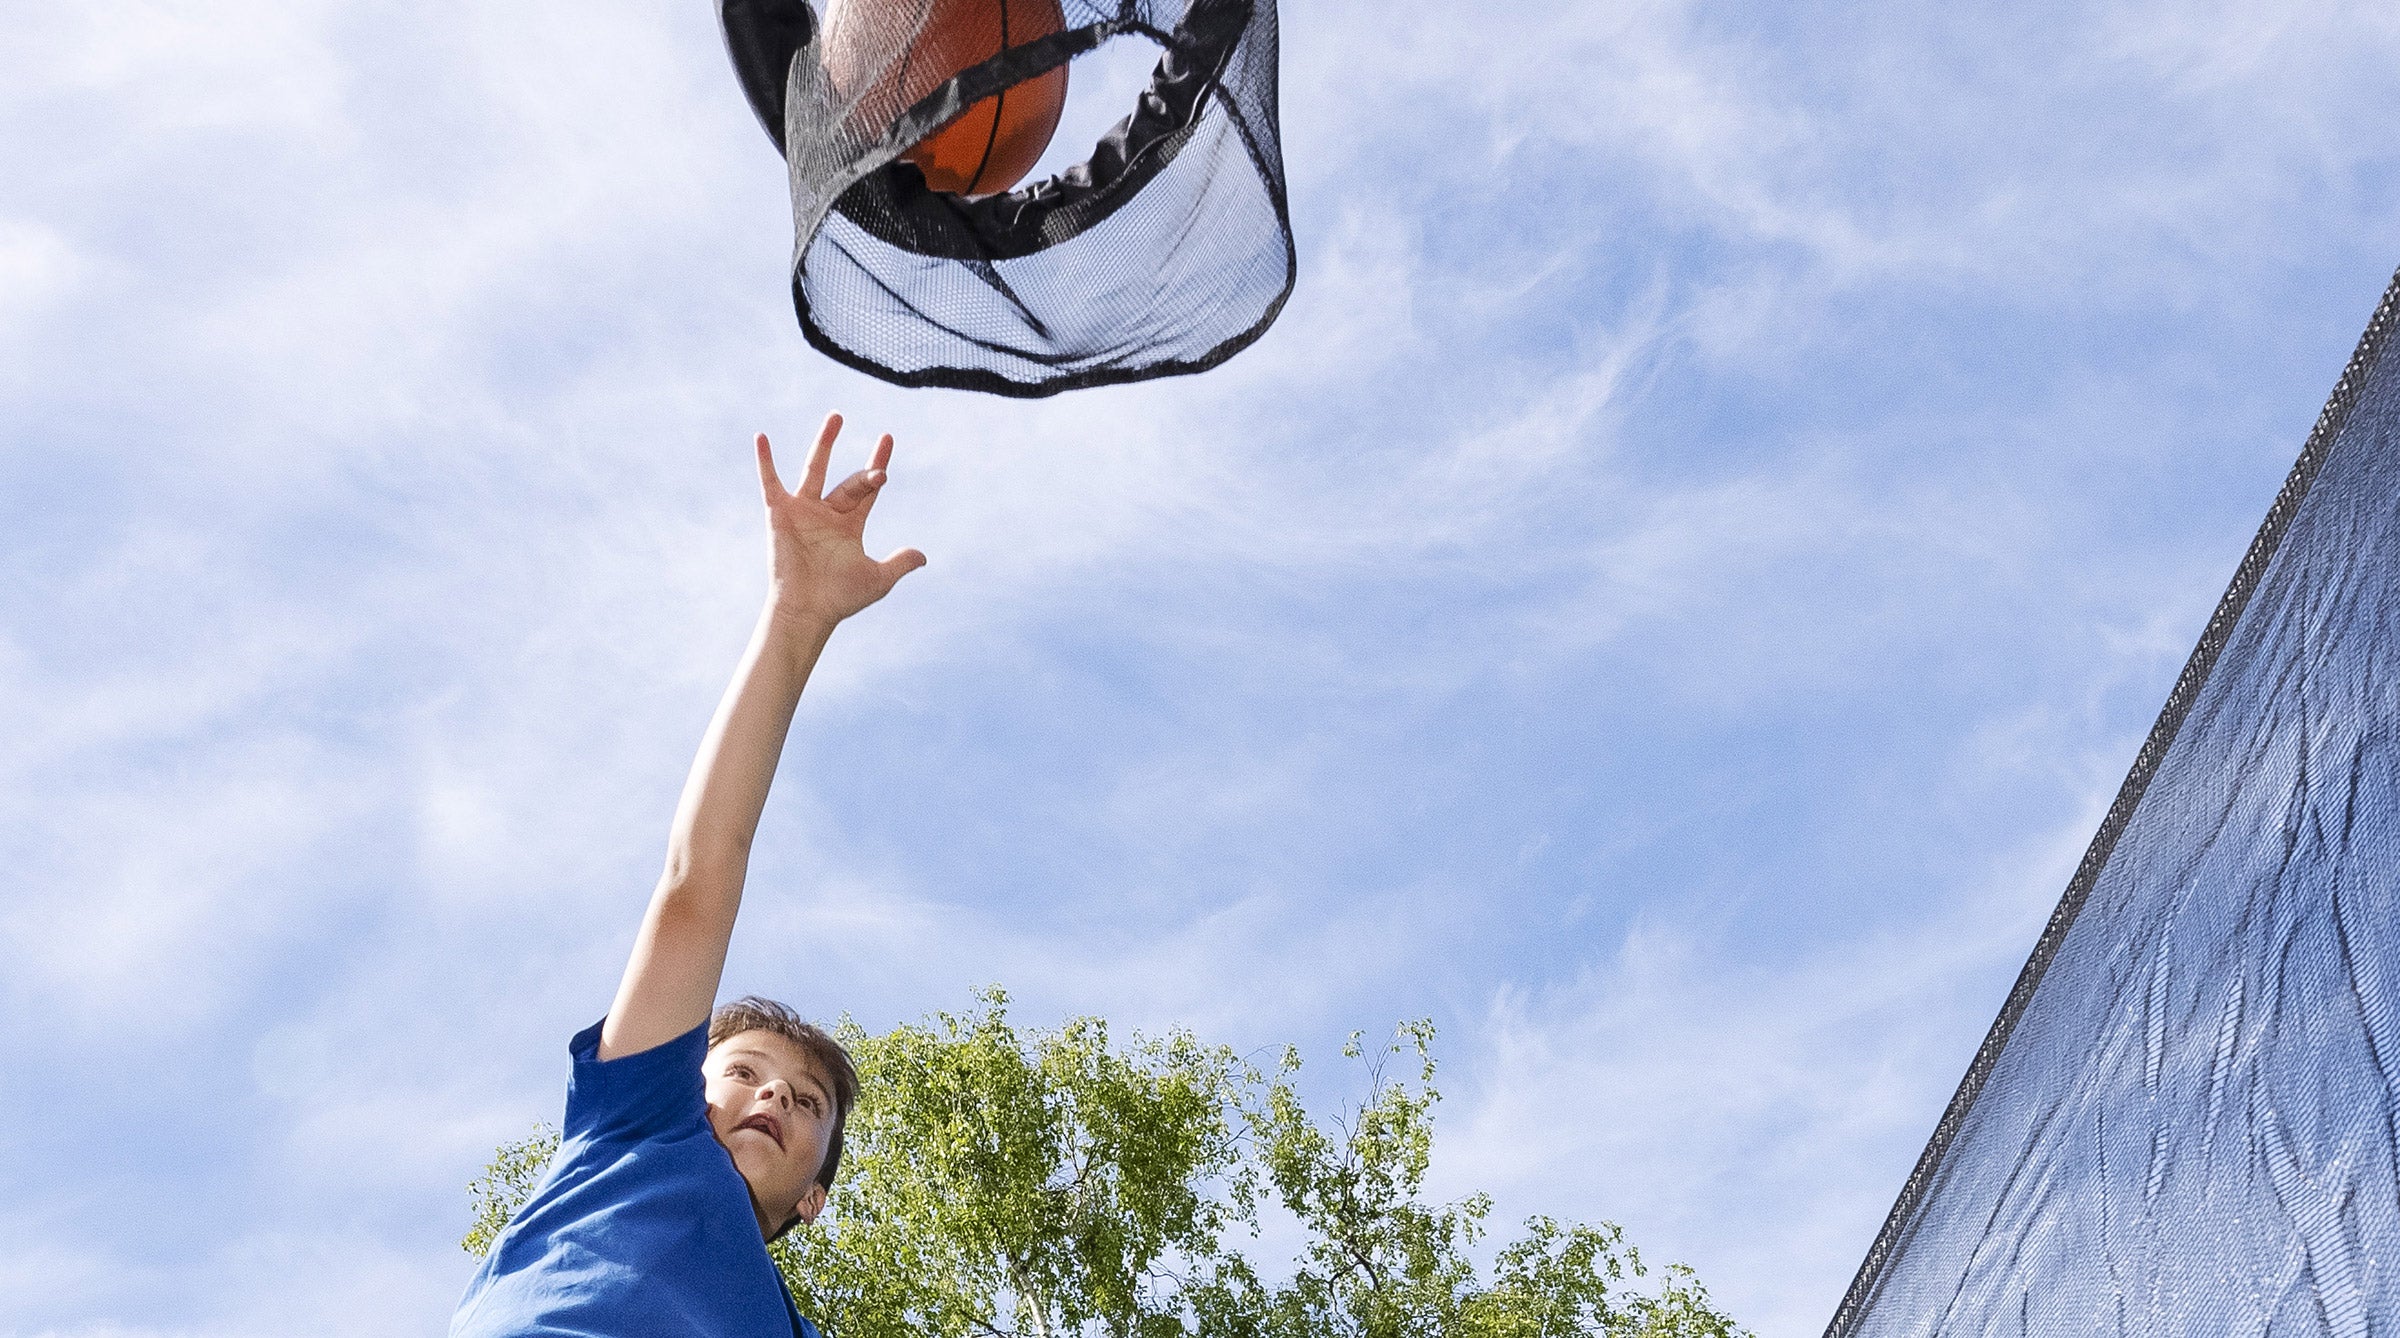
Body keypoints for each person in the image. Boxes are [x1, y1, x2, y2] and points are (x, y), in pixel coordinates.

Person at [450, 414, 928, 1338]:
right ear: (681, 1084)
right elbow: (696, 882)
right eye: (744, 1071)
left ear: (817, 1197)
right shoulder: (641, 1129)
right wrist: (797, 620)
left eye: (808, 1102)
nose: (776, 1096)